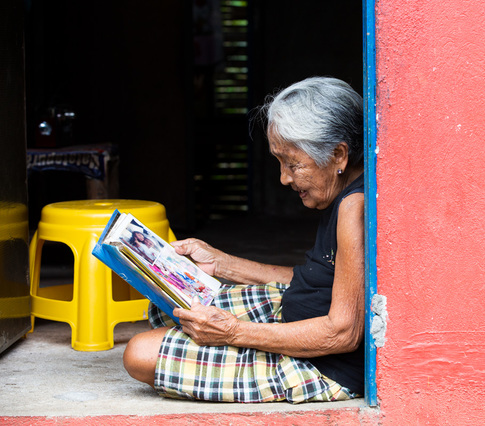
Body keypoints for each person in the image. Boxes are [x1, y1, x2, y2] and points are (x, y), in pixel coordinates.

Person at [123, 76, 366, 403]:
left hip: (323, 365)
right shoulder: (344, 191)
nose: (284, 178)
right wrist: (222, 263)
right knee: (172, 305)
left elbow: (343, 333)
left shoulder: (354, 207)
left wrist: (234, 332)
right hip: (296, 313)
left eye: (293, 163)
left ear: (339, 154)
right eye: (279, 162)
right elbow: (327, 281)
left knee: (139, 353)